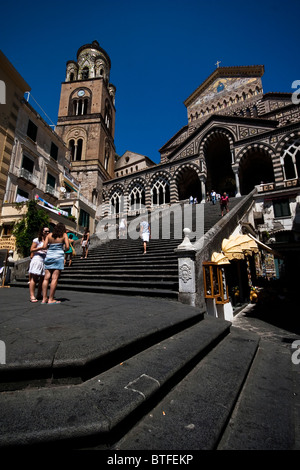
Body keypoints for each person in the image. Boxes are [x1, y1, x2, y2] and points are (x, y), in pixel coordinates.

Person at [41, 223, 69, 304]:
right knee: (54, 278)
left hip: (49, 256)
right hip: (58, 257)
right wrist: (63, 251)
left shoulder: (49, 235)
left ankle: (44, 299)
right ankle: (51, 299)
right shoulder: (64, 235)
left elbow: (44, 246)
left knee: (46, 278)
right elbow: (67, 247)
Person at [28, 226, 49, 302]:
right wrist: (41, 248)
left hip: (45, 259)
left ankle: (39, 294)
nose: (47, 232)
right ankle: (32, 296)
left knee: (43, 278)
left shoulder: (48, 241)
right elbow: (31, 249)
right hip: (37, 258)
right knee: (34, 277)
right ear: (42, 232)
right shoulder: (37, 240)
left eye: (48, 231)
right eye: (46, 231)